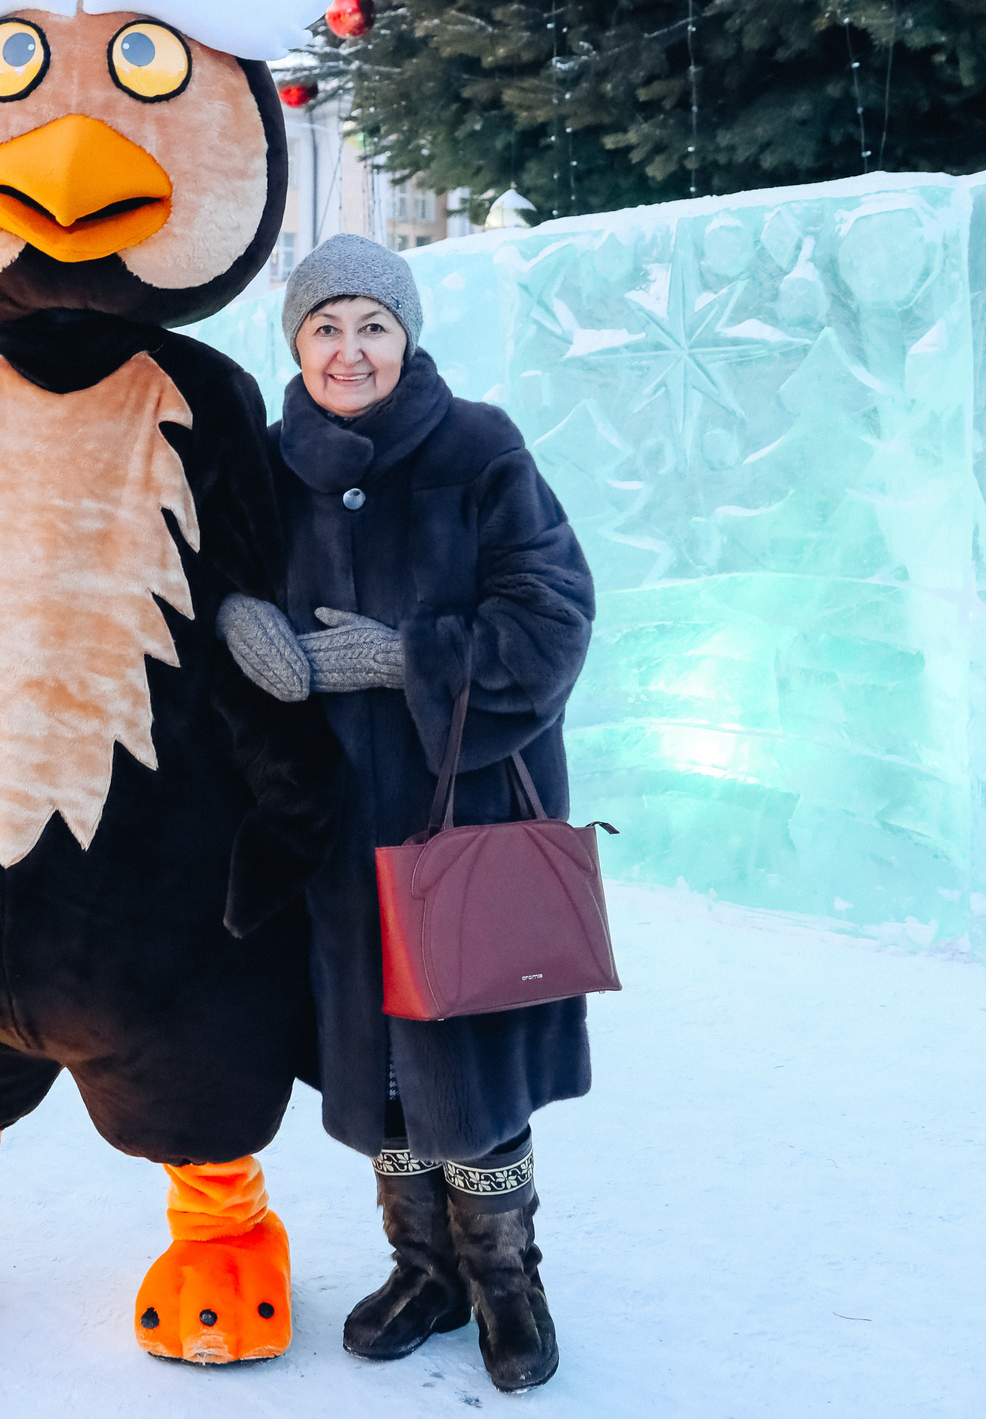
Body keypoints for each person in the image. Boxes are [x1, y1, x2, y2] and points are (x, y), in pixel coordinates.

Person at [218, 234, 597, 1394]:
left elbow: (554, 616)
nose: (349, 349)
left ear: (407, 336)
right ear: (295, 341)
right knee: (375, 1066)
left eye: (372, 326)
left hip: (463, 816)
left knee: (470, 1063)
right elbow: (200, 586)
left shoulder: (478, 448)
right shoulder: (265, 467)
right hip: (330, 831)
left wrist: (408, 661)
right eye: (326, 326)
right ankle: (423, 1267)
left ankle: (505, 1280)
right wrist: (238, 623)